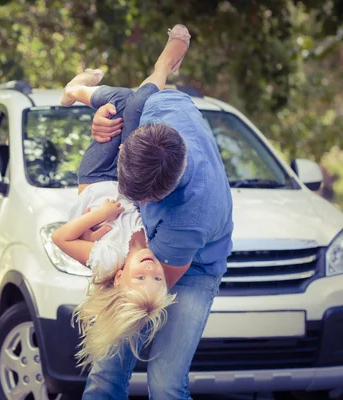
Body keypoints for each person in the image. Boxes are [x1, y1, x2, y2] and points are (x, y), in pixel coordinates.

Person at [70, 24, 234, 400]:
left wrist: (115, 267)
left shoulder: (189, 216)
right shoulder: (155, 109)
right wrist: (99, 126)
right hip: (138, 257)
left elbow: (152, 281)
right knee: (106, 373)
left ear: (165, 191)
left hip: (190, 270)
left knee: (165, 384)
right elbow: (153, 76)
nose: (135, 204)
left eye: (142, 200)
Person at [52, 42, 190, 367]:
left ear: (118, 279)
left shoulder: (106, 260)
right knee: (134, 103)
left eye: (140, 279)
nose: (150, 271)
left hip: (97, 178)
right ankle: (161, 69)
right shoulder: (159, 246)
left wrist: (98, 216)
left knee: (118, 105)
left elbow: (60, 238)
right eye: (157, 280)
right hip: (131, 173)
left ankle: (74, 89)